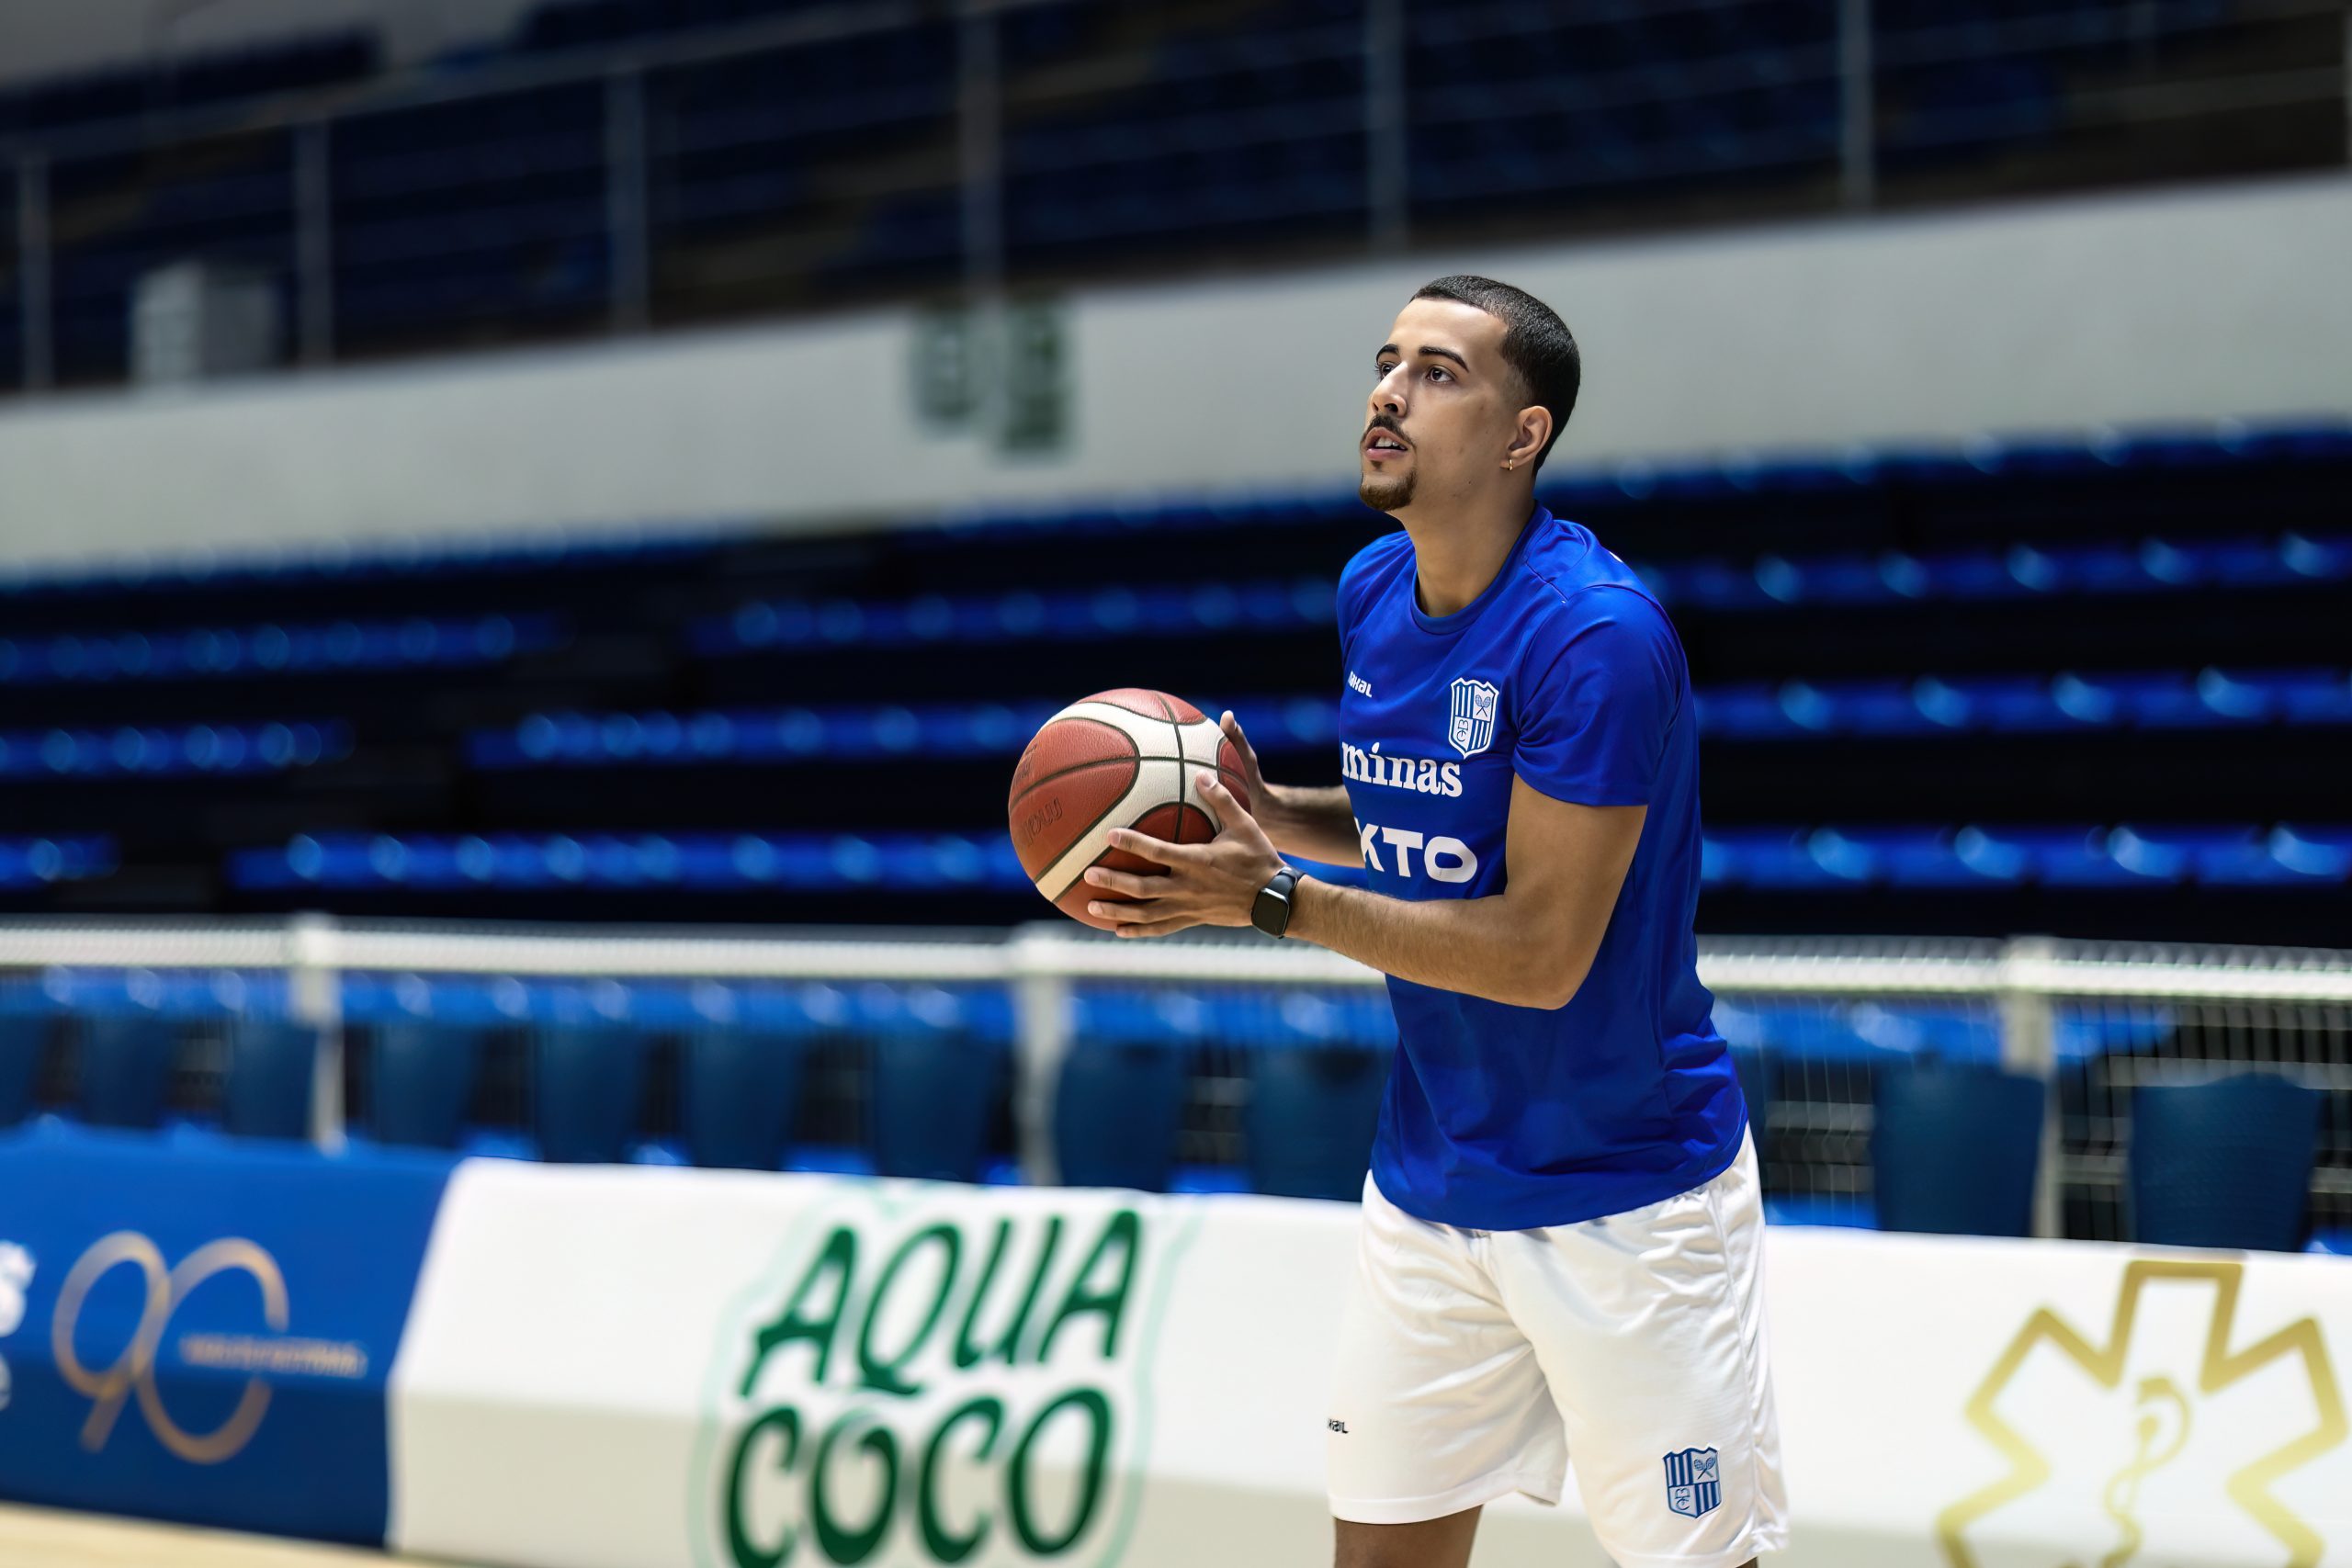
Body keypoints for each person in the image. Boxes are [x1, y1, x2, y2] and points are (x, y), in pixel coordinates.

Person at [1077, 275, 1786, 1568]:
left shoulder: (1595, 638)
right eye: (1387, 362)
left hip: (1626, 1195)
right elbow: (1420, 822)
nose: (1390, 392)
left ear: (1525, 435)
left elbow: (1540, 952)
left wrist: (1271, 900)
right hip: (1431, 1184)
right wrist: (1273, 818)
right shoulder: (1372, 590)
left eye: (1440, 372)